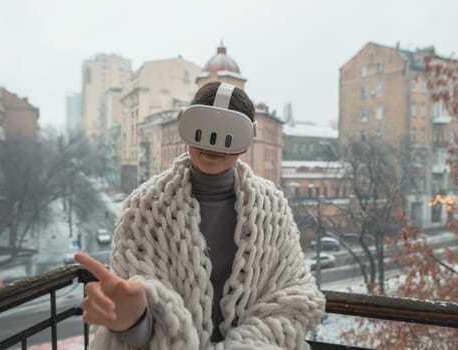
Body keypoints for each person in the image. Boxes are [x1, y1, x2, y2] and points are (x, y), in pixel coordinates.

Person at [74, 81, 325, 350]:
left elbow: (295, 296)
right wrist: (133, 322)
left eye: (230, 132)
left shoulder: (272, 210)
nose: (213, 142)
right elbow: (132, 318)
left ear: (246, 140)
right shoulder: (144, 210)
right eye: (201, 129)